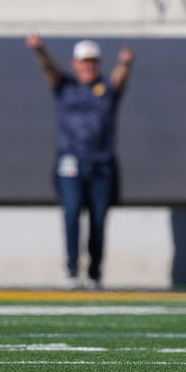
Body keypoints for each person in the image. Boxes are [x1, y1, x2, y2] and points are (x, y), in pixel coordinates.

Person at [26, 35, 135, 289]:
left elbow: (120, 78)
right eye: (83, 61)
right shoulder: (65, 86)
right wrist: (40, 50)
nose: (87, 66)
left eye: (92, 61)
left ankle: (95, 272)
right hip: (70, 162)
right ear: (75, 63)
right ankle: (73, 269)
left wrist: (126, 63)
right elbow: (49, 69)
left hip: (102, 163)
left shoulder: (106, 87)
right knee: (72, 212)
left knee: (98, 220)